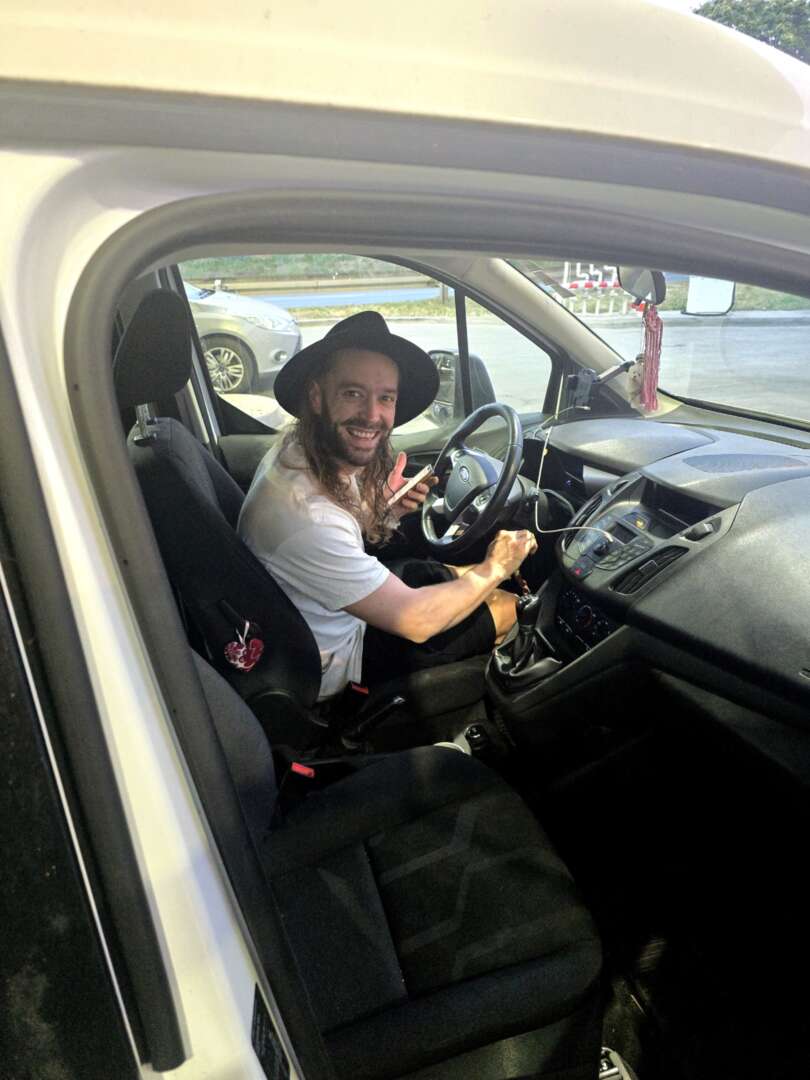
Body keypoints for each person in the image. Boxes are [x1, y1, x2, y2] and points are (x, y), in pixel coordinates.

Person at [237, 311, 537, 700]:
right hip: (341, 657)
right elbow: (416, 621)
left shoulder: (300, 451)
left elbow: (338, 531)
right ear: (316, 396)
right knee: (512, 607)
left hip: (332, 610)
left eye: (385, 398)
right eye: (352, 393)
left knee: (463, 577)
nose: (372, 415)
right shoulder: (306, 515)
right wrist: (496, 566)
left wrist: (384, 511)